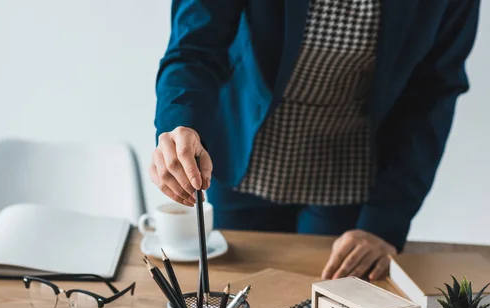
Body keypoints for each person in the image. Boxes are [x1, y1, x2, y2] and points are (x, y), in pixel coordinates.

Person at [151, 1, 480, 280]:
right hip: (244, 154)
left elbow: (434, 93)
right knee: (232, 298)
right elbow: (193, 47)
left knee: (330, 306)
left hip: (350, 166)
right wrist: (179, 123)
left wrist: (385, 224)